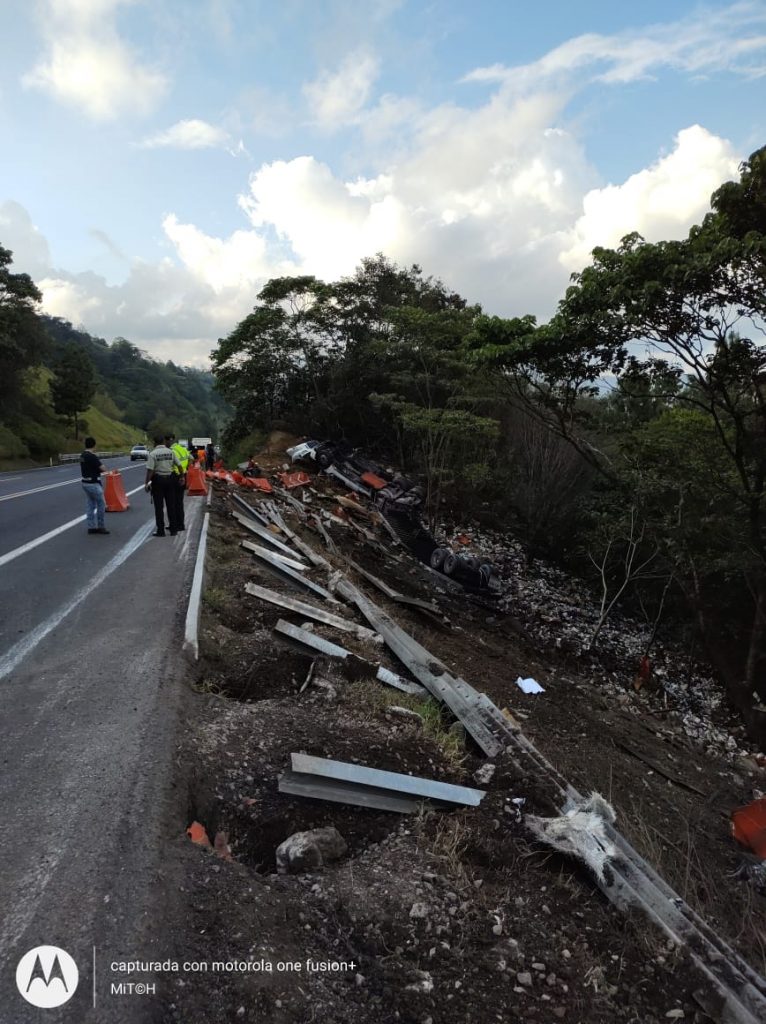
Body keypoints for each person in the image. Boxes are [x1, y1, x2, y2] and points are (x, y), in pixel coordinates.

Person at [145, 435, 181, 536]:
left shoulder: (153, 454)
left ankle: (161, 531)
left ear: (155, 443)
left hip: (158, 482)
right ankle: (173, 530)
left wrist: (146, 483)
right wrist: (182, 477)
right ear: (163, 442)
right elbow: (179, 466)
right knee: (171, 506)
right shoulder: (171, 452)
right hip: (170, 480)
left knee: (159, 507)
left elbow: (150, 470)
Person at [80, 436, 110, 535]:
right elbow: (103, 468)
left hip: (85, 483)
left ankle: (91, 527)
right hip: (93, 484)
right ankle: (101, 526)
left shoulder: (82, 455)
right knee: (102, 504)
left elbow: (91, 468)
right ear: (94, 445)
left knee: (90, 505)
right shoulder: (92, 456)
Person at [166, 434, 190, 532]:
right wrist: (186, 468)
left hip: (175, 477)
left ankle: (175, 525)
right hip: (183, 476)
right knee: (179, 502)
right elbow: (191, 458)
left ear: (167, 441)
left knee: (173, 502)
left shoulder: (171, 451)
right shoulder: (183, 449)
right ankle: (181, 524)